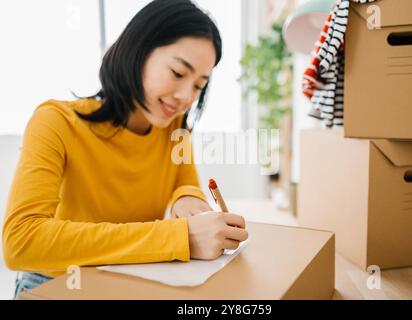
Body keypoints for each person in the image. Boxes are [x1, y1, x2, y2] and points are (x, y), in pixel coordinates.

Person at [2, 0, 248, 300]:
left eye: (199, 85)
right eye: (178, 72)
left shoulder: (173, 125)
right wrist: (179, 236)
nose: (186, 97)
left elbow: (184, 181)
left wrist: (187, 199)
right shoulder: (55, 122)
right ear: (138, 52)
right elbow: (21, 242)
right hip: (58, 283)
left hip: (133, 278)